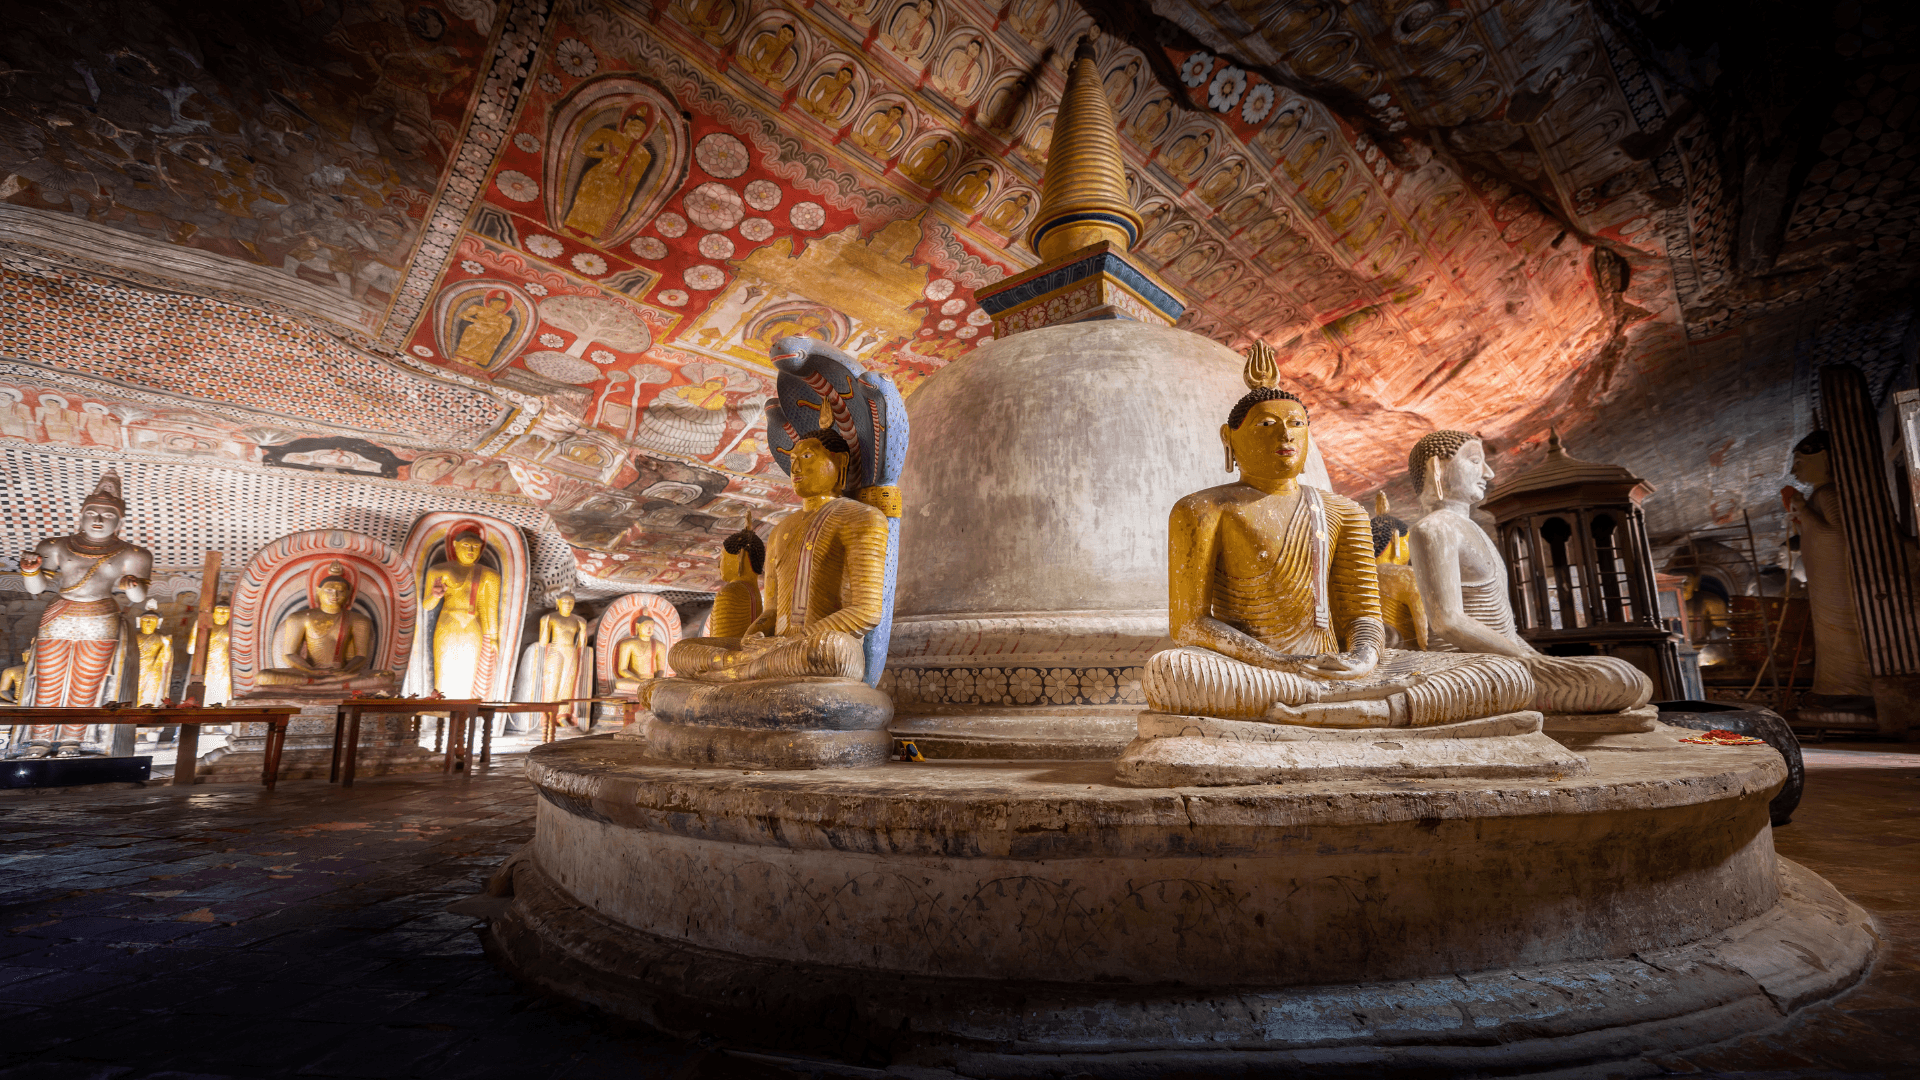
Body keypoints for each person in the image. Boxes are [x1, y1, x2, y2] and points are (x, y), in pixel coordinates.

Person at [1142, 347, 1532, 727]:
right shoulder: (1203, 509)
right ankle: (1376, 706)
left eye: (1297, 423)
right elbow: (1189, 625)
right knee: (1171, 672)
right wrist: (1282, 663)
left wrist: (1362, 658)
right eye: (1266, 424)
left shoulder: (1344, 511)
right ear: (1230, 439)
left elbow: (1362, 613)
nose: (1285, 433)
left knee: (1506, 674)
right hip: (1256, 669)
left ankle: (1360, 706)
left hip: (1337, 666)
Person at [1406, 430, 1653, 715]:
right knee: (1619, 682)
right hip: (1465, 667)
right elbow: (1447, 622)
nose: (1488, 472)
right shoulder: (1434, 528)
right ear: (1436, 466)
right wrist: (1525, 659)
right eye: (1475, 461)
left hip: (1507, 659)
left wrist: (1535, 658)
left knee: (1632, 680)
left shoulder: (1474, 531)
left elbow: (1504, 628)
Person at [669, 430, 887, 683]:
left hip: (817, 648)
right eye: (793, 458)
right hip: (776, 649)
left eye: (806, 456)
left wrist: (795, 640)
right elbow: (771, 610)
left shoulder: (863, 518)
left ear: (840, 462)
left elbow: (866, 611)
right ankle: (744, 665)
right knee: (681, 651)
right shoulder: (780, 530)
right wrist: (754, 636)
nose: (795, 467)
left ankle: (735, 672)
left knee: (831, 647)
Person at [17, 470, 152, 756]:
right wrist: (30, 570)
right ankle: (39, 739)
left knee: (87, 681)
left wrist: (131, 585)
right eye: (92, 513)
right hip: (60, 613)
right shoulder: (56, 546)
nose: (99, 519)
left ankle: (72, 740)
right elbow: (36, 589)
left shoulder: (134, 554)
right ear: (81, 516)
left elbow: (139, 597)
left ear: (120, 521)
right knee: (48, 679)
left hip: (101, 616)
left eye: (107, 515)